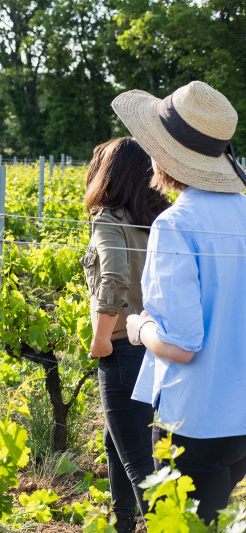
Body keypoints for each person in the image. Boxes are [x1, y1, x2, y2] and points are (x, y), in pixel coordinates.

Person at [114, 81, 246, 524]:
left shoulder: (177, 224)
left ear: (167, 156)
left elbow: (182, 344)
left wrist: (138, 328)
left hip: (196, 418)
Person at [81, 137, 171, 532]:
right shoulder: (160, 221)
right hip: (160, 346)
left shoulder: (108, 220)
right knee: (117, 445)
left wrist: (101, 338)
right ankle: (121, 525)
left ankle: (164, 527)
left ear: (108, 175)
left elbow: (114, 277)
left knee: (139, 462)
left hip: (123, 345)